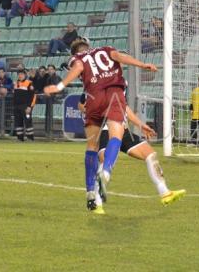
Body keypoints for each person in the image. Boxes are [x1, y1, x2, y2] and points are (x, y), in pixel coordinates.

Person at [43, 38, 160, 214]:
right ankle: (105, 172)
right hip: (113, 94)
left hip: (93, 98)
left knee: (91, 146)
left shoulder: (77, 58)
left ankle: (90, 191)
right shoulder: (105, 49)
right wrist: (142, 65)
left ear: (74, 52)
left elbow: (78, 68)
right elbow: (120, 56)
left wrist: (59, 86)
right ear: (88, 47)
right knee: (116, 135)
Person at [78, 91, 185, 210]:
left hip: (124, 131)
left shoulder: (120, 82)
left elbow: (125, 108)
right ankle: (97, 203)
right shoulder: (98, 82)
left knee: (150, 155)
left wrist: (141, 125)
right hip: (106, 130)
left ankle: (165, 193)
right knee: (104, 162)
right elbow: (82, 103)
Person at [13, 70, 36, 142]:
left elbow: (33, 96)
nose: (20, 75)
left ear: (25, 75)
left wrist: (30, 106)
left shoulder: (29, 83)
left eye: (22, 74)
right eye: (19, 74)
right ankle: (19, 138)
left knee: (28, 121)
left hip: (26, 106)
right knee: (18, 122)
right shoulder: (16, 83)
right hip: (17, 106)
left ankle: (30, 138)